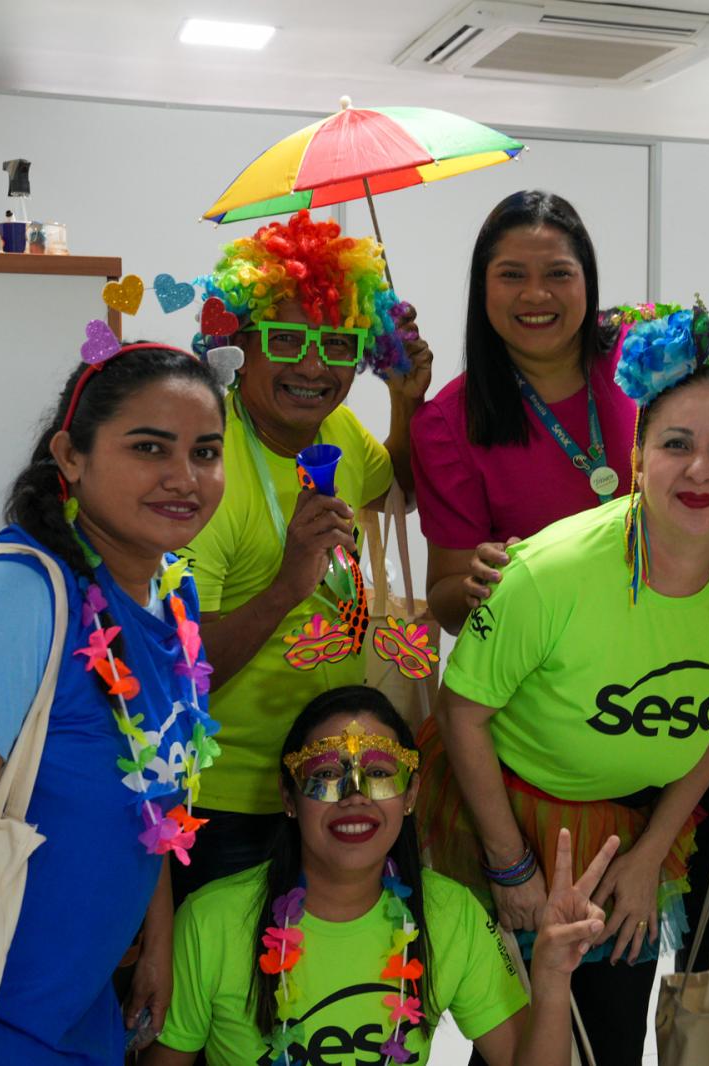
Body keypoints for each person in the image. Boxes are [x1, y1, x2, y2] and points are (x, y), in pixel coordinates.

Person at [419, 299, 709, 1064]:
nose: (700, 469)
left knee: (614, 1034)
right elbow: (461, 714)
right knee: (520, 1047)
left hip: (635, 828)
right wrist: (509, 864)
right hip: (513, 818)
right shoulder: (550, 571)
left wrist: (650, 854)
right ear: (639, 457)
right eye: (676, 444)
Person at [0, 340, 228, 1062]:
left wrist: (158, 936)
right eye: (149, 447)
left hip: (84, 1020)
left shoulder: (172, 596)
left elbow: (151, 785)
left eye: (206, 452)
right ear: (71, 455)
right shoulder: (12, 597)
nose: (184, 478)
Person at [144, 686, 612, 1066]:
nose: (356, 795)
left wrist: (552, 977)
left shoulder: (451, 914)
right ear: (288, 797)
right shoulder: (210, 921)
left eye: (381, 772)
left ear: (411, 795)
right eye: (327, 773)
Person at [178, 210, 433, 899]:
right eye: (286, 338)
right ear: (238, 343)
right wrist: (287, 585)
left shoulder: (337, 428)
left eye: (339, 343)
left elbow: (396, 491)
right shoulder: (205, 469)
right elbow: (180, 671)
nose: (314, 366)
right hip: (227, 801)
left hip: (329, 783)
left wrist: (406, 401)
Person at [412, 190, 636, 635]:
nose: (536, 294)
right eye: (512, 275)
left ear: (587, 281)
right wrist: (480, 582)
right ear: (483, 287)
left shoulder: (644, 355)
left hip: (664, 642)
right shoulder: (447, 424)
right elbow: (446, 601)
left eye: (558, 273)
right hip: (544, 662)